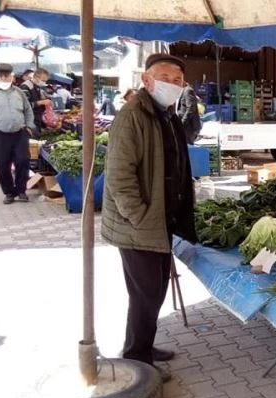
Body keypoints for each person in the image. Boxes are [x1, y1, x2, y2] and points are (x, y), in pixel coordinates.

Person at [102, 53, 197, 381]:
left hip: (160, 220)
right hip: (140, 225)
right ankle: (137, 359)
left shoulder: (166, 115)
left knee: (154, 291)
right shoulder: (132, 116)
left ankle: (142, 345)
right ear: (147, 80)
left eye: (178, 80)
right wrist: (139, 217)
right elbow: (119, 176)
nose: (173, 84)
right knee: (146, 294)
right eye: (166, 78)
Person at [0, 63, 36, 205]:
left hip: (20, 133)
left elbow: (28, 110)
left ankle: (21, 190)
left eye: (6, 76)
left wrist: (29, 126)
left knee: (23, 160)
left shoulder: (19, 92)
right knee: (2, 164)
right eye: (1, 76)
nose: (4, 79)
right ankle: (9, 192)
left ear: (12, 77)